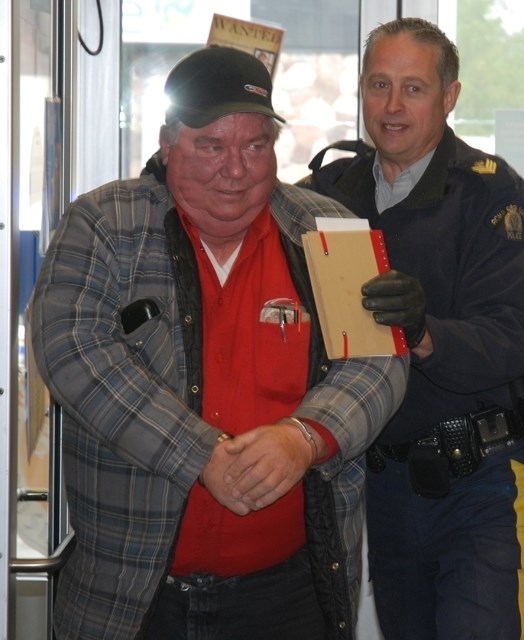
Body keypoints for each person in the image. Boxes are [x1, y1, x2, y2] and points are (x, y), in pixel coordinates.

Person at [30, 46, 408, 640]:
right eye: (211, 146)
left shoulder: (329, 229)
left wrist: (303, 439)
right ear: (167, 143)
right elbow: (68, 347)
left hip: (289, 597)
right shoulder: (103, 223)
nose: (236, 169)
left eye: (255, 146)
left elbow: (379, 361)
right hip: (129, 596)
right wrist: (197, 453)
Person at [301, 17, 524, 640]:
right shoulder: (326, 194)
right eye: (378, 85)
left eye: (413, 88)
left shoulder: (494, 196)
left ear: (450, 96)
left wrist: (424, 332)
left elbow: (514, 340)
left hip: (483, 487)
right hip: (378, 487)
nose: (392, 107)